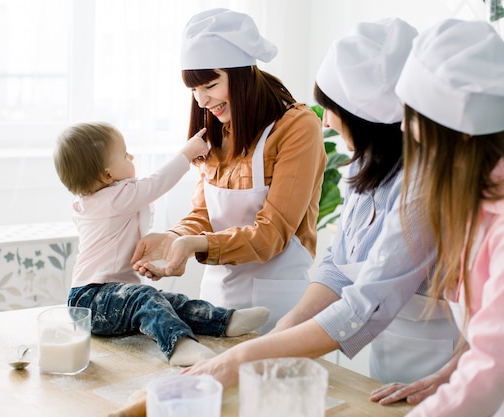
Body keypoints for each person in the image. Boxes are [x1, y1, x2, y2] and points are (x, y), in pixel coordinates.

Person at [179, 18, 460, 389]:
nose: (324, 122)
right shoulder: (367, 167)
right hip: (389, 363)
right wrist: (276, 336)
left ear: (366, 118)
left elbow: (369, 299)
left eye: (331, 108)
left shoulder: (424, 186)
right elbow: (338, 267)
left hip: (449, 365)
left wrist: (253, 354)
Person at [389, 18, 504, 416]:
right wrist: (452, 371)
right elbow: (494, 321)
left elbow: (498, 355)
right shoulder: (476, 187)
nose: (403, 126)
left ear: (458, 129)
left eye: (413, 115)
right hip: (499, 393)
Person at [131, 8, 326, 333]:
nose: (202, 100)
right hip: (215, 303)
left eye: (209, 84)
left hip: (276, 312)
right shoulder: (217, 129)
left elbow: (272, 235)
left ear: (243, 73)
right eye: (193, 90)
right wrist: (174, 237)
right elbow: (204, 213)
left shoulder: (298, 128)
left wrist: (197, 245)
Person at [53, 121, 270, 367]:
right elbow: (157, 183)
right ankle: (178, 344)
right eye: (125, 154)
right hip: (90, 301)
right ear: (107, 174)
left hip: (106, 297)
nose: (131, 156)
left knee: (167, 301)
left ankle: (224, 321)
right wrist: (187, 153)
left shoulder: (101, 200)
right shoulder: (113, 199)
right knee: (145, 297)